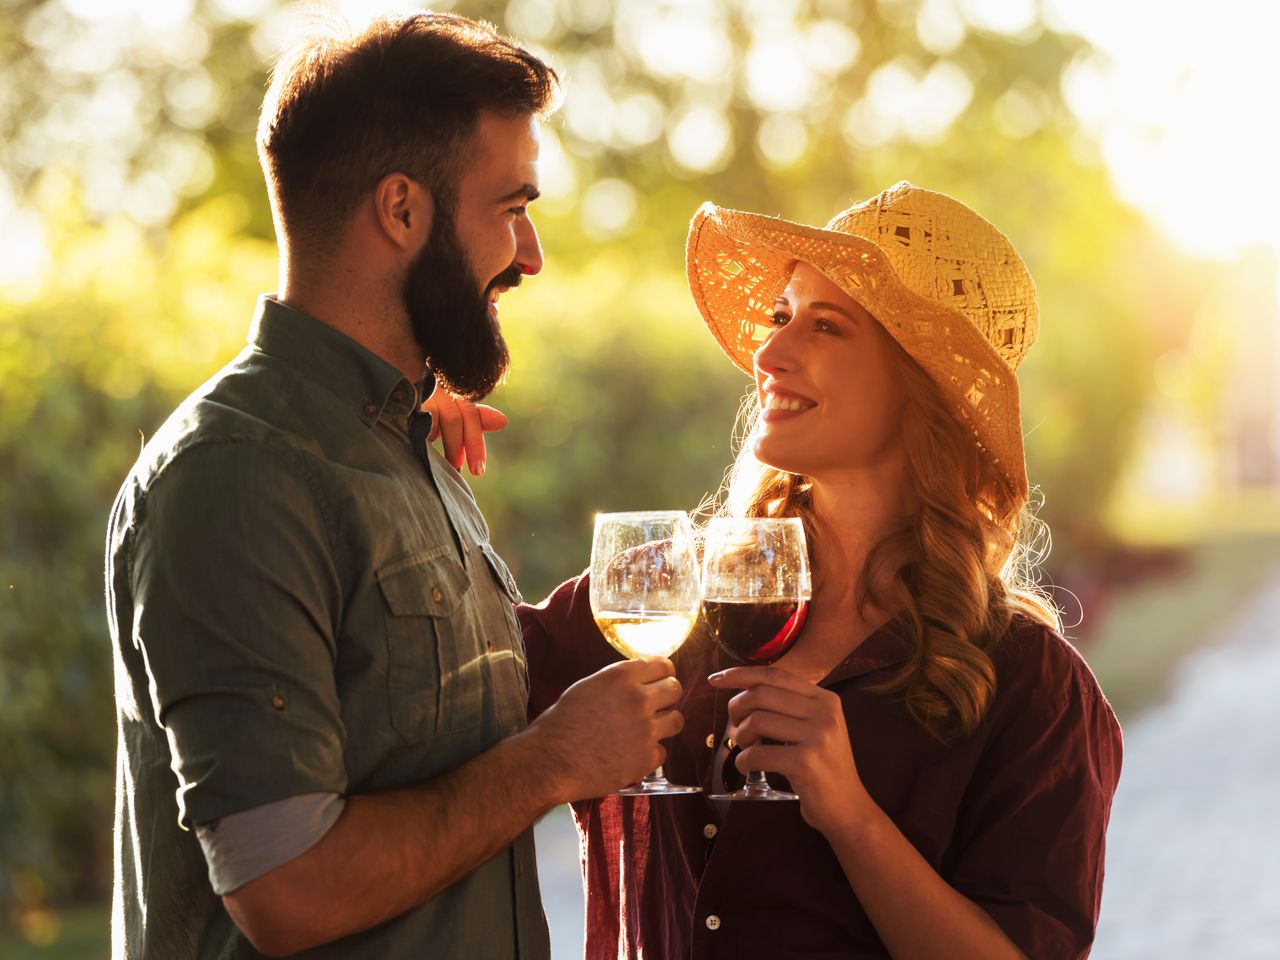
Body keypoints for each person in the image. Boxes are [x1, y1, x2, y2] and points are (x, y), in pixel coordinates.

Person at [104, 12, 684, 960]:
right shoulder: (236, 476)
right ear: (403, 210)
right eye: (511, 207)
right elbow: (286, 889)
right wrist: (553, 761)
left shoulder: (411, 447)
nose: (530, 256)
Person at [519, 182, 1124, 959]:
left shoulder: (1033, 687)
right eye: (781, 316)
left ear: (922, 387)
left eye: (827, 326)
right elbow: (463, 683)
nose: (769, 354)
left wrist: (850, 814)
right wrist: (410, 437)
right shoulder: (673, 593)